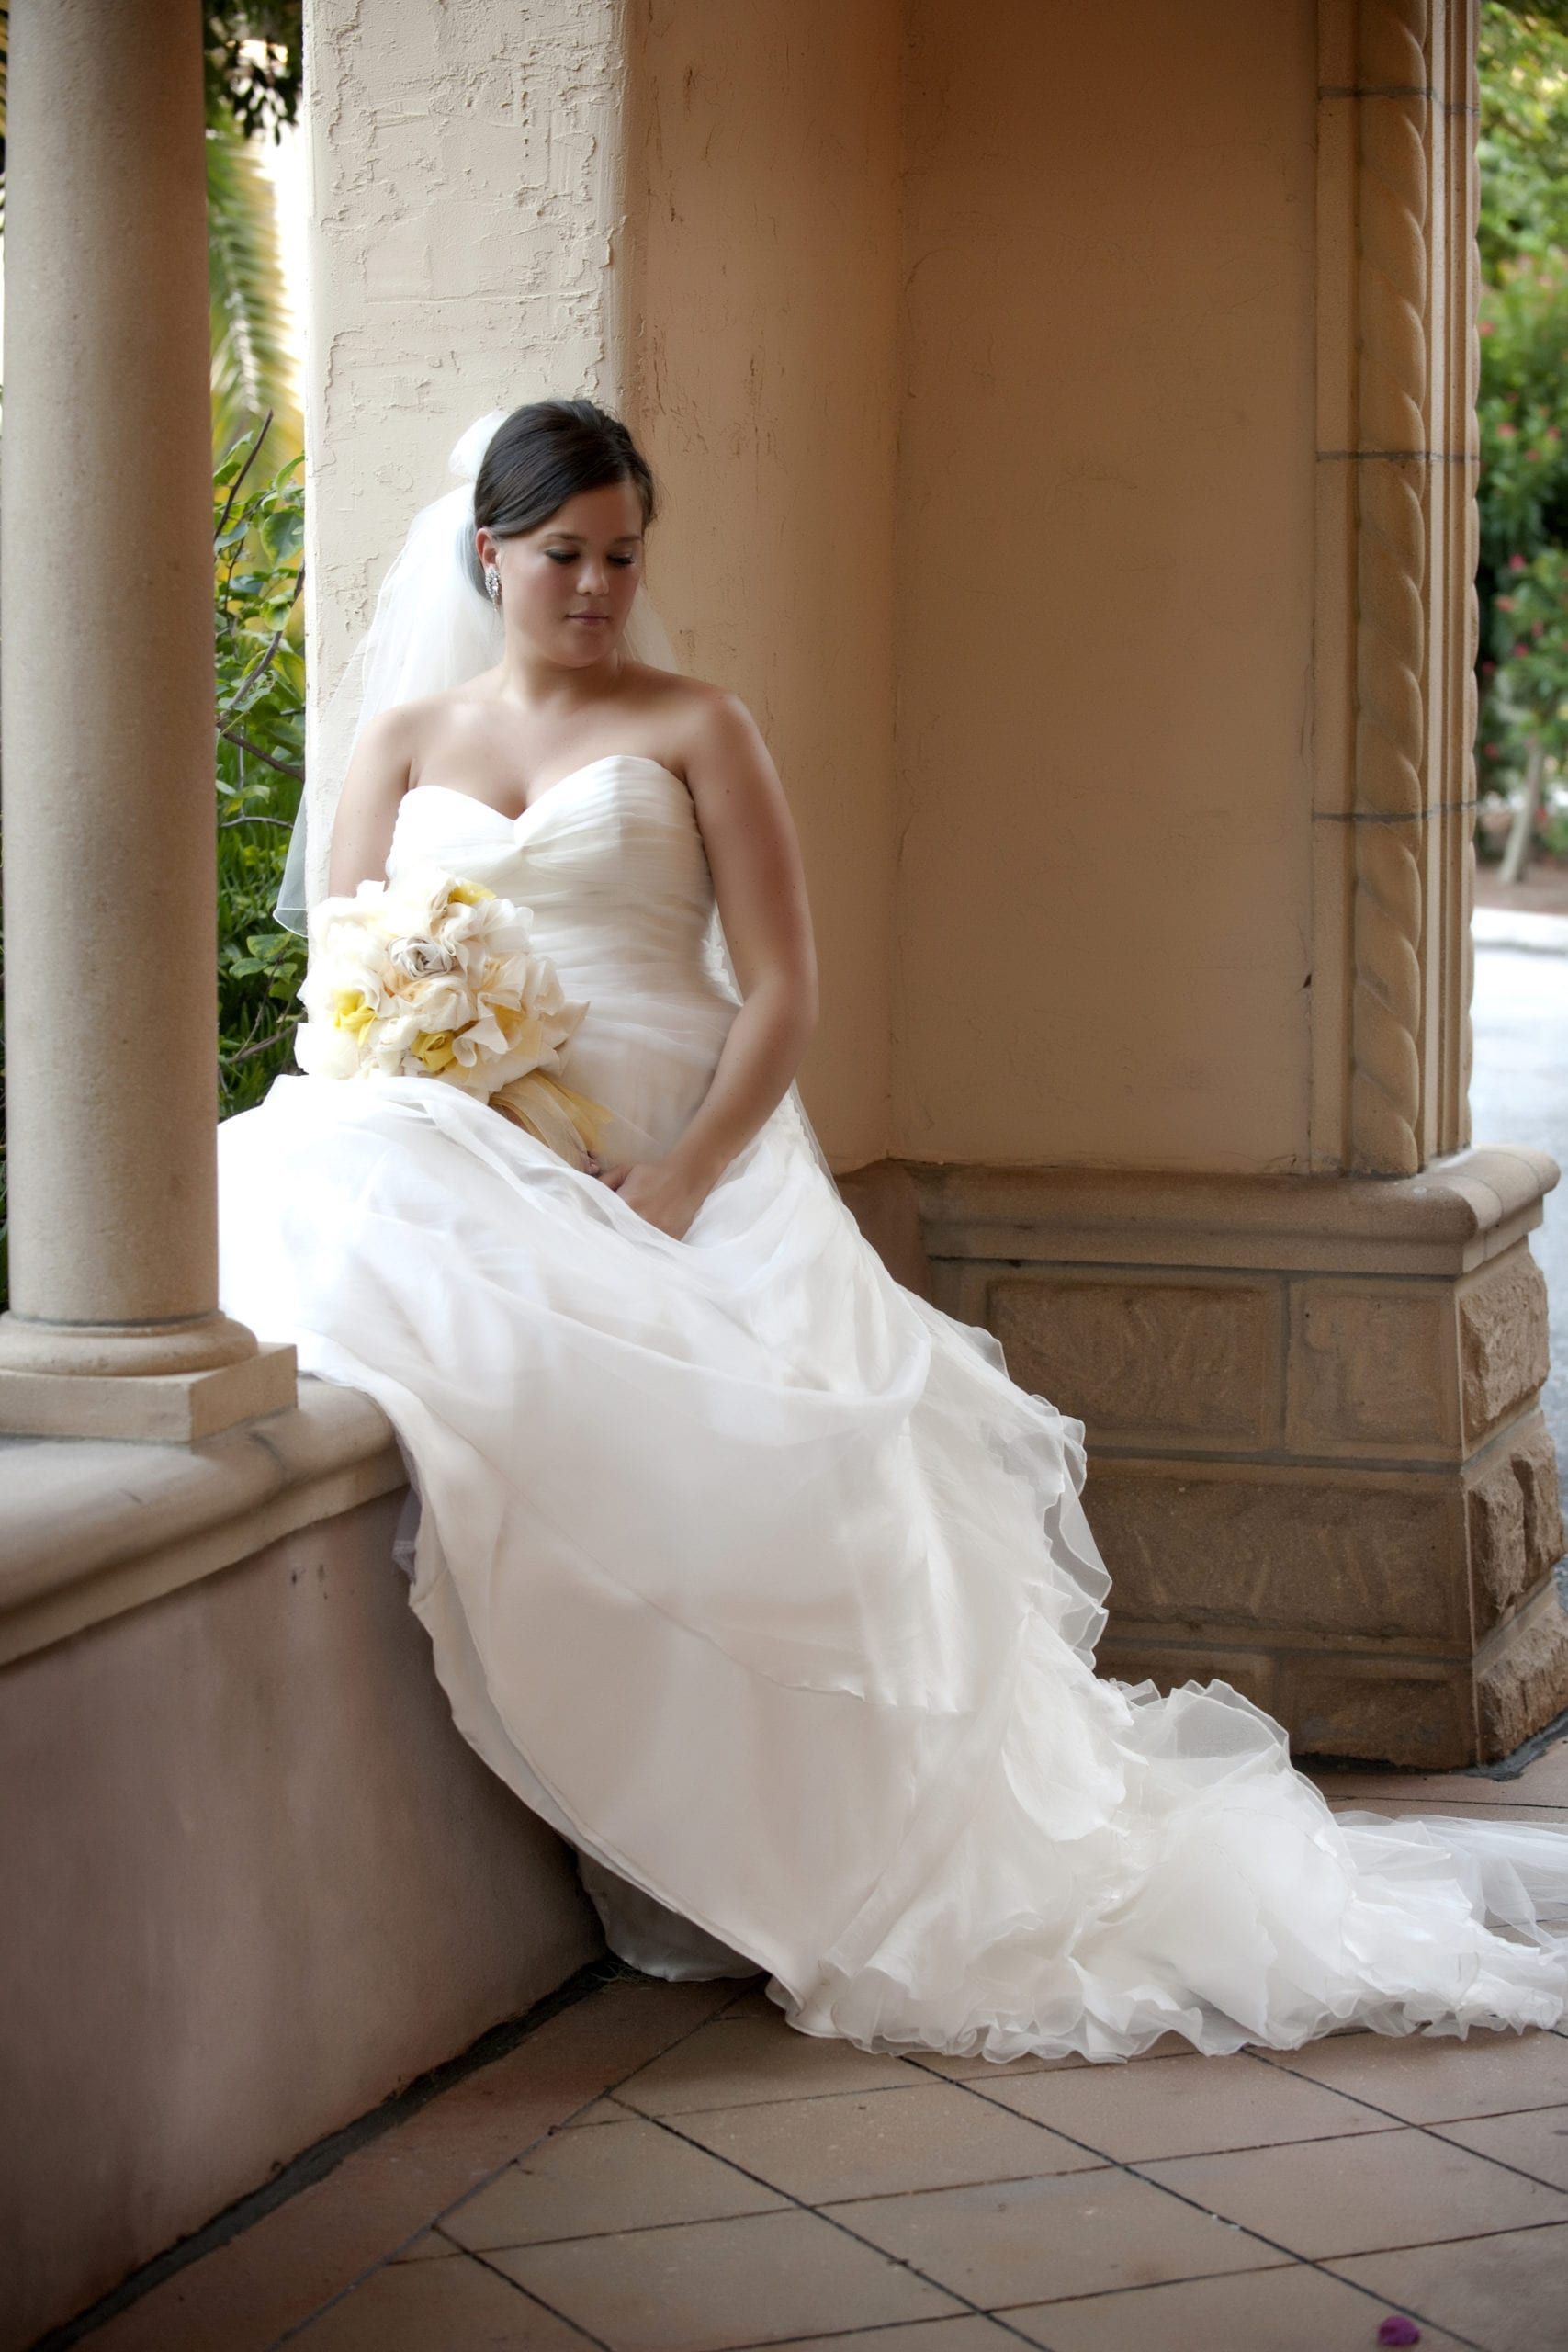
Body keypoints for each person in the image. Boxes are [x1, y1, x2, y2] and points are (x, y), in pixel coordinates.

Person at [219, 398, 1568, 2063]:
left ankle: (834, 1862)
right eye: (561, 554)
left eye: (623, 556)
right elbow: (344, 990)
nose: (594, 586)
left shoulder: (700, 725)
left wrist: (686, 1177)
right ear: (489, 552)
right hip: (484, 1144)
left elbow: (782, 991)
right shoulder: (405, 743)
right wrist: (439, 1068)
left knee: (785, 1487)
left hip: (683, 1156)